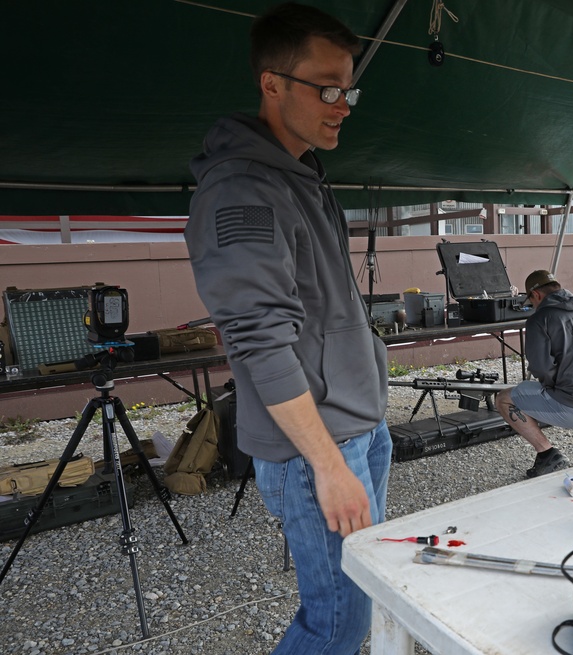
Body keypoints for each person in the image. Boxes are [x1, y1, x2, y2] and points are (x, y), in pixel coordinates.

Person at [184, 4, 391, 653]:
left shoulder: (299, 171)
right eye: (327, 88)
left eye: (349, 88)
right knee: (338, 620)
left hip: (357, 423)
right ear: (272, 84)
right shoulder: (241, 192)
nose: (343, 104)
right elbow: (258, 341)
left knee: (358, 603)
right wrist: (327, 465)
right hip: (317, 446)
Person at [496, 270, 573, 477]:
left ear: (536, 295)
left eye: (530, 300)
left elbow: (541, 368)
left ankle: (548, 454)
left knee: (503, 399)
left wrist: (557, 387)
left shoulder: (540, 319)